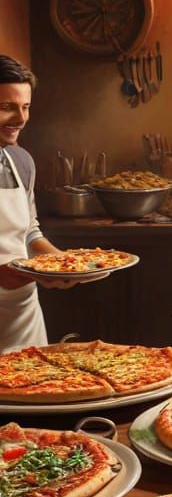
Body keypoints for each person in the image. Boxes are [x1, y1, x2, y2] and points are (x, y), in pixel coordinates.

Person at [0, 55, 95, 352]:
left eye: (25, 106)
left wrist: (66, 265)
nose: (21, 118)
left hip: (23, 315)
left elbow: (29, 233)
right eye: (7, 107)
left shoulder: (21, 161)